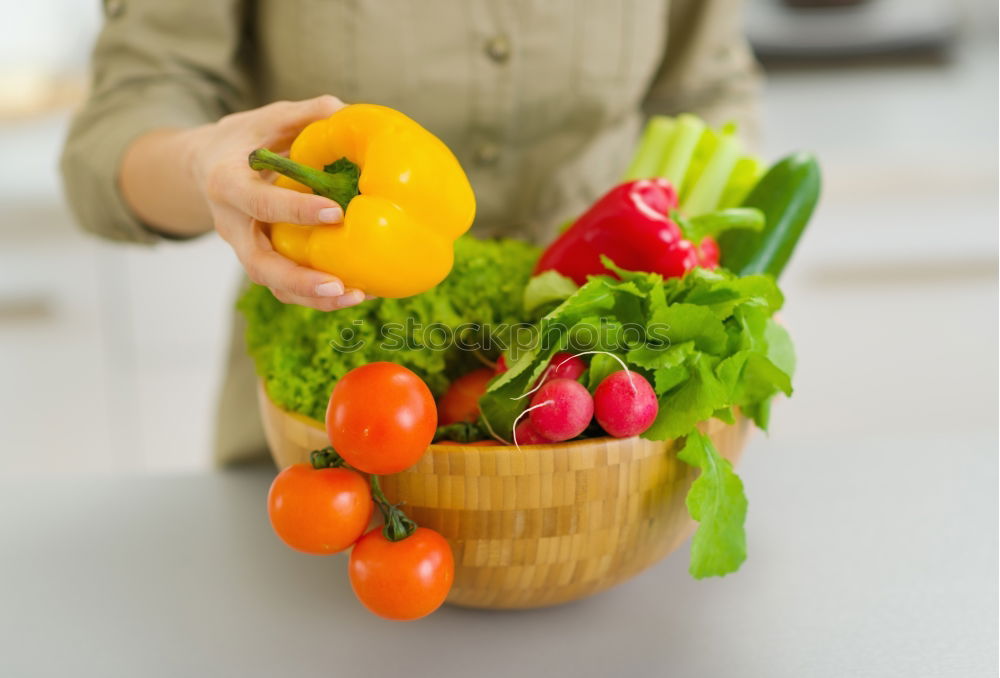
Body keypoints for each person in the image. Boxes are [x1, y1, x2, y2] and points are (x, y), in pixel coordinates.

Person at [61, 0, 761, 465]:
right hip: (329, 421)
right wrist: (199, 162)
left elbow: (707, 87)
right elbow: (113, 134)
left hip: (603, 411)